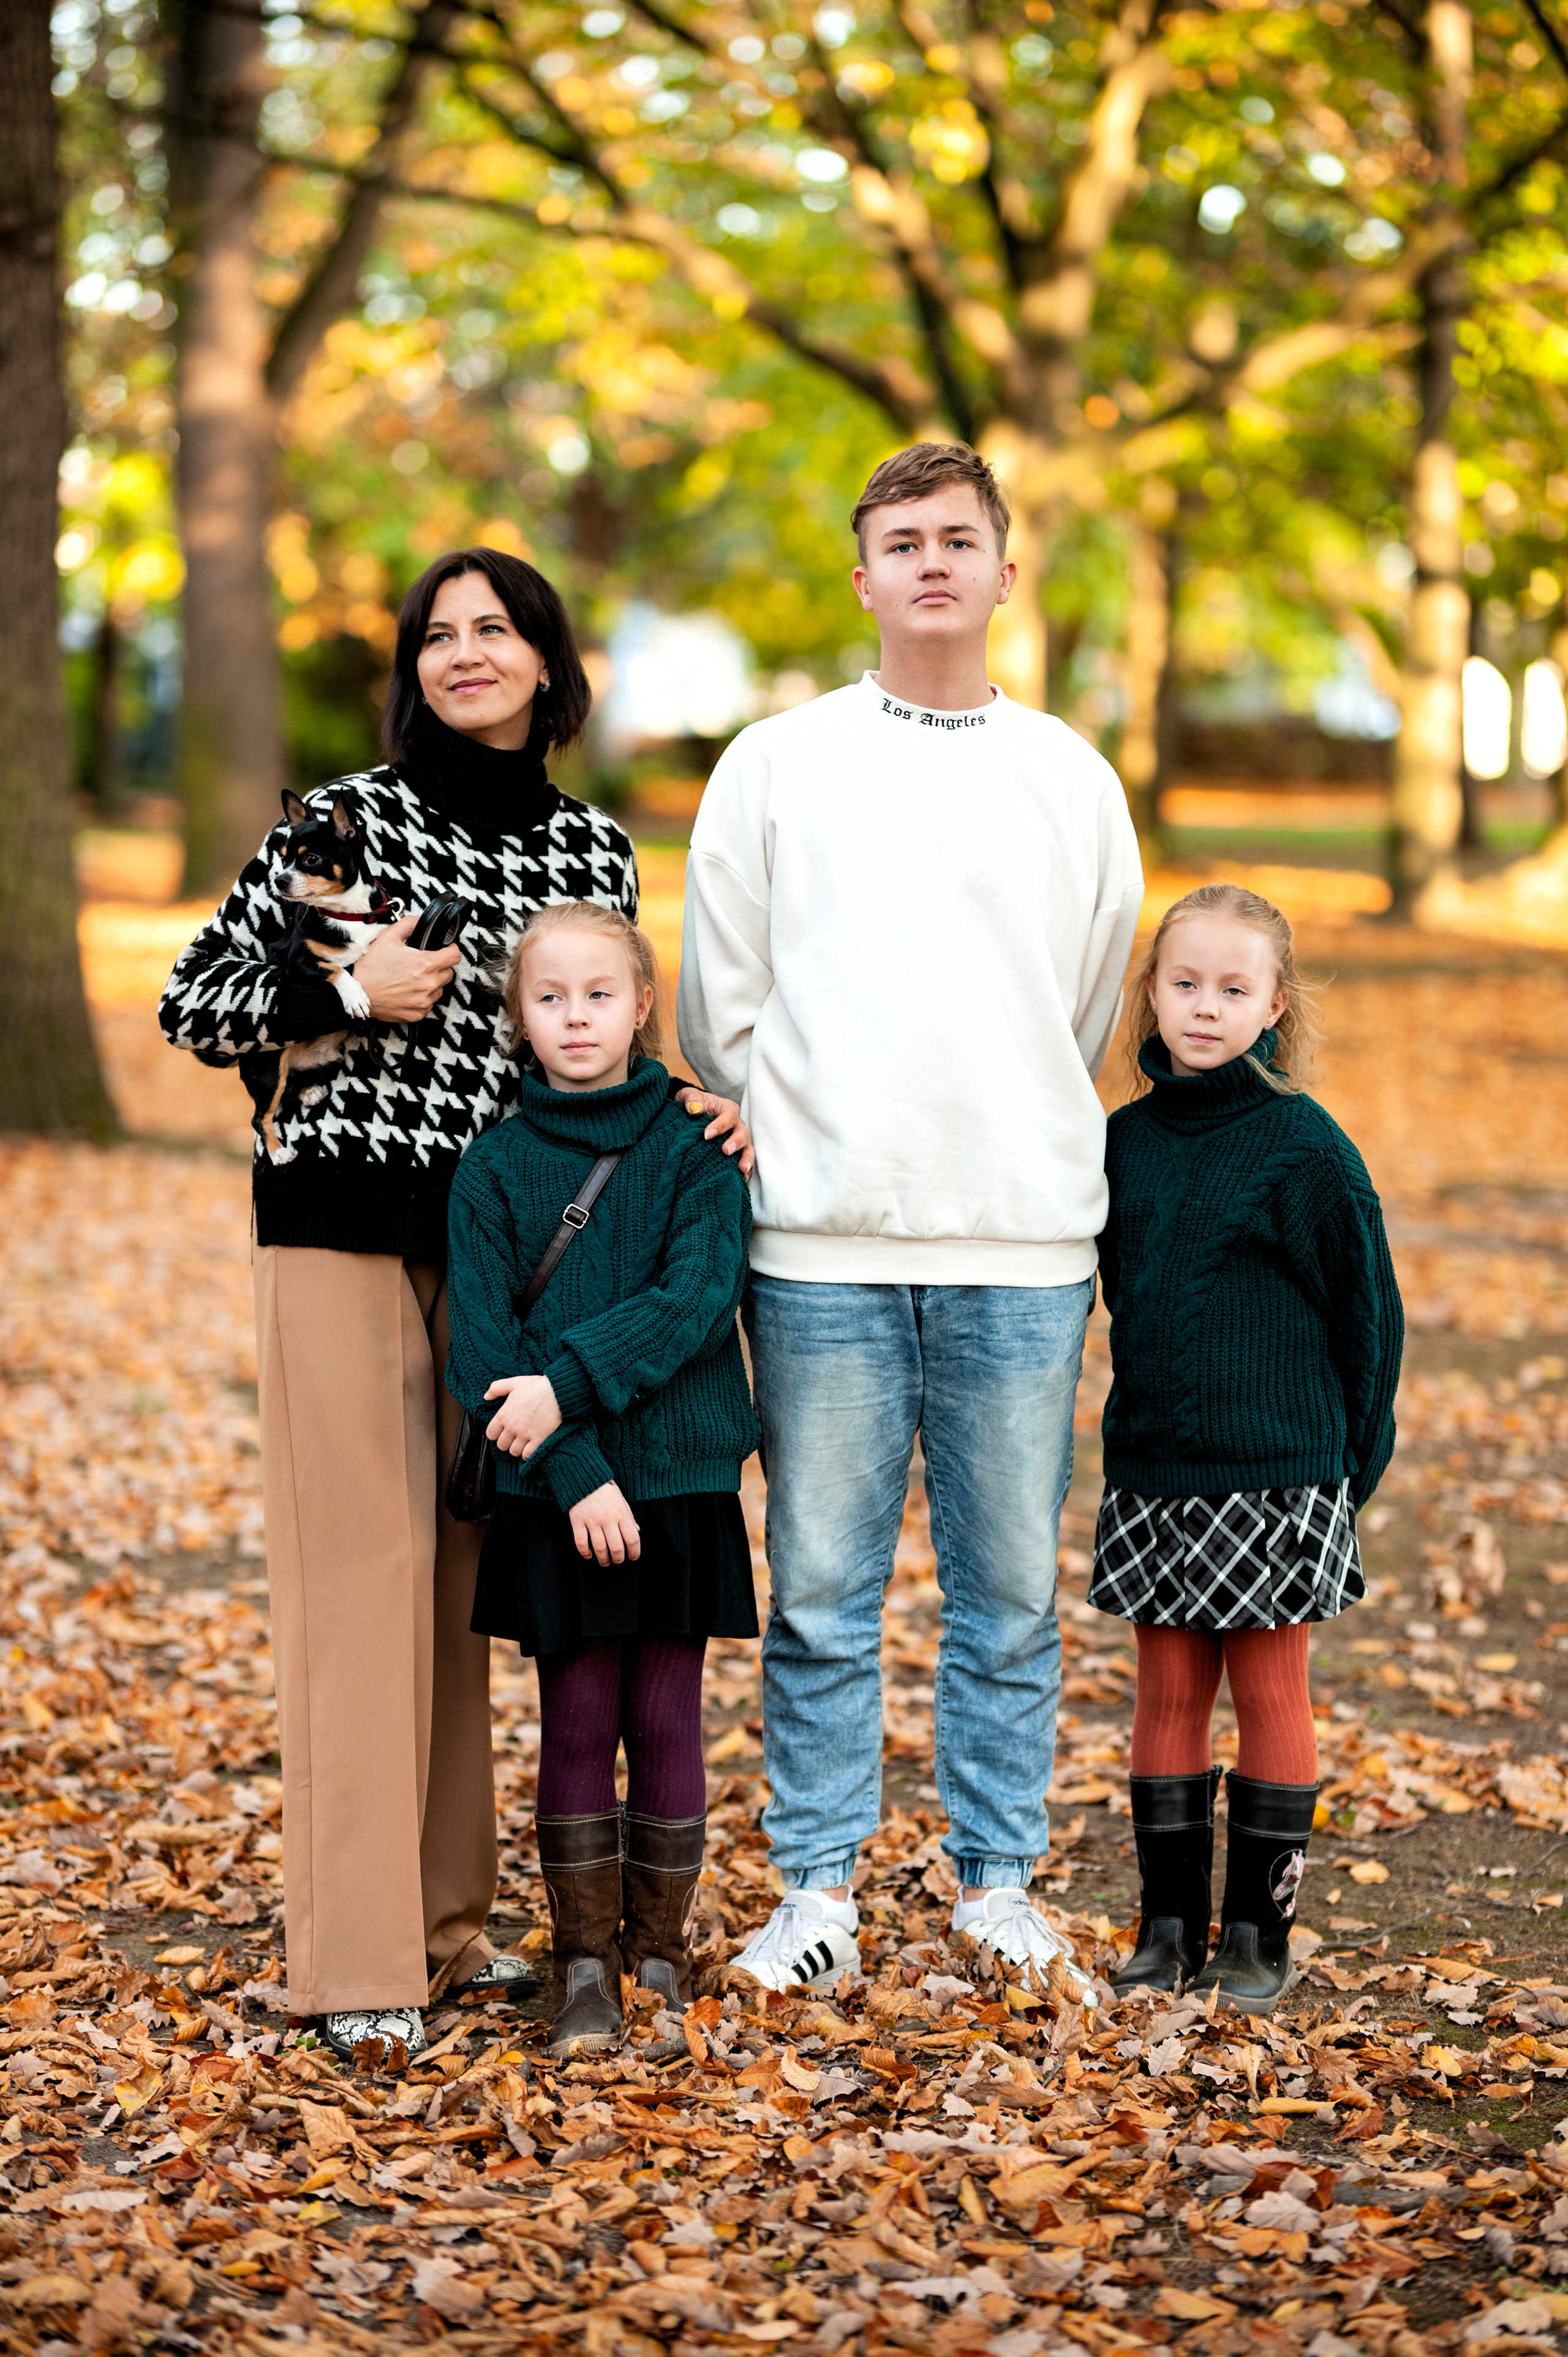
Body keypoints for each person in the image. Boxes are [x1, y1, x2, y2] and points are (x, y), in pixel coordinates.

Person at [159, 550, 747, 2064]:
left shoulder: (595, 854)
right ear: (411, 665)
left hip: (522, 1272)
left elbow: (596, 1040)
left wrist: (693, 1112)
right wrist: (351, 995)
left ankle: (444, 1927)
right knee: (360, 1584)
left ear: (548, 664)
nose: (464, 653)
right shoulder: (343, 824)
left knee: (460, 1586)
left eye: (495, 631)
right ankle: (353, 1955)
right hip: (347, 1238)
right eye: (438, 634)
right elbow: (195, 999)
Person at [677, 442, 1144, 1998]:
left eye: (960, 538)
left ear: (1006, 571)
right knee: (820, 1591)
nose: (932, 561)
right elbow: (715, 1000)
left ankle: (995, 1880)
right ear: (863, 575)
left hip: (1016, 1244)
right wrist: (809, 1137)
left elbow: (1081, 1004)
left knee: (1007, 1593)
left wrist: (999, 1124)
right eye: (902, 540)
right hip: (819, 1244)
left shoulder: (1069, 777)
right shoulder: (775, 763)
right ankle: (814, 1885)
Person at [445, 901, 760, 2057]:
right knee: (577, 1717)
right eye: (549, 998)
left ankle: (660, 1958)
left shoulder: (695, 1145)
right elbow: (481, 1353)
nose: (576, 1017)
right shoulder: (493, 1167)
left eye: (599, 995)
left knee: (666, 1712)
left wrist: (568, 1390)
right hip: (552, 1493)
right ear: (519, 1021)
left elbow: (696, 1298)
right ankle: (582, 1965)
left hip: (678, 1477)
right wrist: (575, 1469)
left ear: (641, 1006)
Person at [1091, 882, 1403, 2015]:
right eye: (1185, 984)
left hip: (1277, 1475)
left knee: (1270, 1689)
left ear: (1275, 1005)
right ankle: (1166, 1926)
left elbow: (1371, 1322)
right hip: (1158, 1469)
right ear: (1153, 996)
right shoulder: (1119, 1143)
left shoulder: (1305, 1150)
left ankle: (1257, 1938)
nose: (1206, 1006)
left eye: (1233, 988)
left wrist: (1343, 1473)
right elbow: (1126, 1290)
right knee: (1166, 1692)